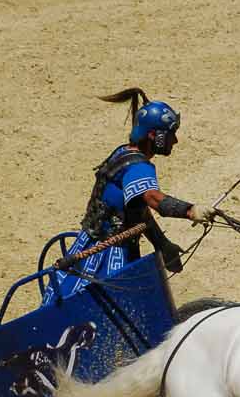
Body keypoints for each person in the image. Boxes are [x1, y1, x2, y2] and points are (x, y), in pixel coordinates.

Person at [42, 88, 212, 305]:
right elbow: (153, 198)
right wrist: (190, 210)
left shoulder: (123, 152)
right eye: (171, 134)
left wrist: (162, 244)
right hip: (108, 255)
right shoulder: (138, 167)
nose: (175, 141)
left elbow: (138, 210)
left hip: (92, 245)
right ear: (155, 136)